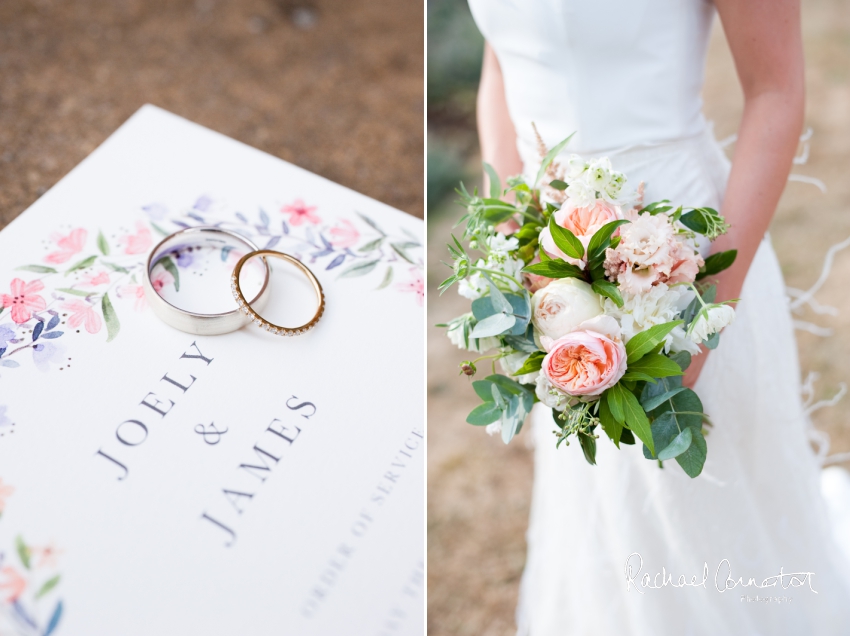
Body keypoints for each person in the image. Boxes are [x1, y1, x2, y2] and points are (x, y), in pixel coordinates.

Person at [467, 0, 850, 633]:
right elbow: (502, 62)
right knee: (608, 509)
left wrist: (707, 310)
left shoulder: (696, 283)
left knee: (703, 500)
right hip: (551, 258)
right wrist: (513, 243)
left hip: (680, 251)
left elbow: (776, 91)